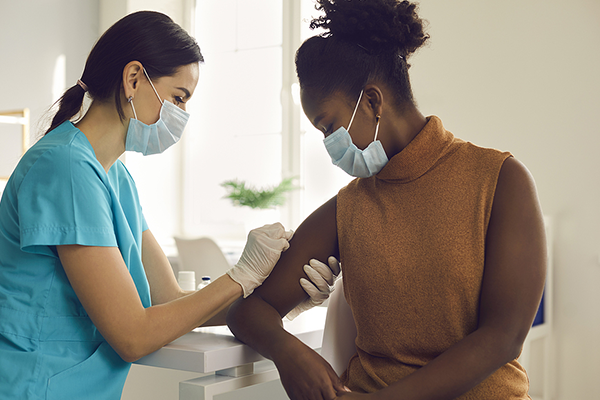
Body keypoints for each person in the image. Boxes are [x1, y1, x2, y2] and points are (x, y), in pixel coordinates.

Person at [0, 11, 338, 399]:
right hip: (36, 386)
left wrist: (281, 297)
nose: (181, 115)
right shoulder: (66, 168)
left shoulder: (114, 177)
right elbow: (133, 334)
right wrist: (241, 274)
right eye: (179, 98)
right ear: (133, 79)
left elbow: (170, 301)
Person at [226, 1, 547, 399]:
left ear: (373, 102)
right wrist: (289, 352)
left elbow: (505, 337)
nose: (329, 145)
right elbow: (248, 311)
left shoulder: (500, 181)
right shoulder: (349, 207)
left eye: (330, 126)